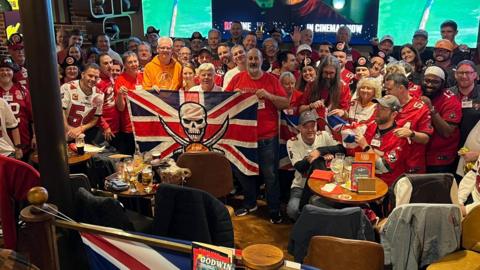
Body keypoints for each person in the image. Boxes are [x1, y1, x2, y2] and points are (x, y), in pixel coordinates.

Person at [225, 48, 289, 223]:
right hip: (243, 138)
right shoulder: (237, 79)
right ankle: (250, 203)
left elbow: (285, 103)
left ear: (262, 61)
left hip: (267, 137)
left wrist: (268, 96)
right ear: (246, 60)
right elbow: (223, 102)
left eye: (256, 58)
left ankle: (274, 209)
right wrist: (234, 97)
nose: (253, 61)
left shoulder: (272, 80)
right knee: (244, 172)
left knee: (270, 175)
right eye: (250, 58)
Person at [286, 110, 342, 220]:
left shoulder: (324, 135)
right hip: (300, 187)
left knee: (323, 206)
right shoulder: (292, 142)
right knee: (293, 210)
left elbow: (341, 149)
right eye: (305, 126)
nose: (310, 129)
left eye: (313, 125)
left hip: (324, 186)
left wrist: (320, 151)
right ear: (299, 128)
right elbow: (300, 167)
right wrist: (317, 157)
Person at [384, 73, 433, 173]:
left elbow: (426, 138)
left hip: (410, 165)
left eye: (389, 90)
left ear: (401, 88)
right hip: (387, 163)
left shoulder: (420, 108)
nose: (386, 93)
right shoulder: (385, 104)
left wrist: (411, 134)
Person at [355, 95, 408, 186]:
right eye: (377, 107)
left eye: (383, 109)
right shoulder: (371, 126)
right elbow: (355, 151)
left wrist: (366, 147)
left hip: (385, 186)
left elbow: (384, 167)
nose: (377, 111)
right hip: (365, 178)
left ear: (394, 114)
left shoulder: (400, 137)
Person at [420, 66, 462, 173]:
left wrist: (431, 108)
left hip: (440, 159)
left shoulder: (451, 100)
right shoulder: (417, 93)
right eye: (427, 80)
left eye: (435, 82)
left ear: (443, 83)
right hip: (418, 155)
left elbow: (447, 132)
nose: (429, 85)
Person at [299, 55, 351, 125]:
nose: (328, 76)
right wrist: (311, 106)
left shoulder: (344, 87)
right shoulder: (311, 84)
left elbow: (347, 115)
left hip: (333, 127)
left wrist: (343, 113)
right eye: (326, 72)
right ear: (320, 72)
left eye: (331, 73)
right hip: (313, 125)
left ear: (337, 73)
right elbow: (300, 110)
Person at [61, 63, 104, 143]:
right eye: (90, 76)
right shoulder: (67, 87)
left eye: (96, 77)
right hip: (63, 132)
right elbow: (60, 111)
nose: (93, 79)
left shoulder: (99, 95)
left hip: (82, 134)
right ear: (83, 74)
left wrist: (81, 129)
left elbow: (95, 119)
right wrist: (69, 129)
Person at [0, 57, 33, 158]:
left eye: (8, 70)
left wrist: (35, 137)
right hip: (3, 145)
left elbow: (32, 117)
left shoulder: (23, 90)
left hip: (22, 140)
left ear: (13, 72)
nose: (5, 72)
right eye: (1, 70)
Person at [114, 51, 143, 155]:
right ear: (125, 65)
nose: (134, 64)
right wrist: (120, 94)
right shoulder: (120, 80)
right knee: (132, 157)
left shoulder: (144, 76)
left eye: (135, 61)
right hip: (129, 126)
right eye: (130, 62)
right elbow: (121, 108)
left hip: (144, 124)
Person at [450, 60, 480, 148]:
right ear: (455, 75)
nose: (464, 76)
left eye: (468, 73)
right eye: (460, 73)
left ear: (475, 75)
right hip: (450, 145)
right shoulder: (447, 93)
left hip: (475, 144)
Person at [96, 53, 120, 146]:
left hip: (116, 125)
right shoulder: (98, 83)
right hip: (105, 129)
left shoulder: (111, 77)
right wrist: (105, 127)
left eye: (111, 62)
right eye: (106, 63)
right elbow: (95, 109)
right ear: (99, 66)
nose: (110, 65)